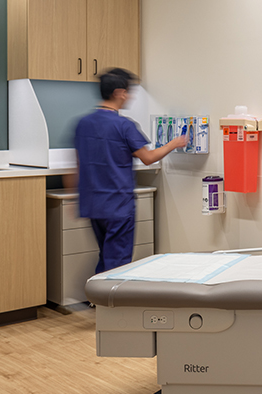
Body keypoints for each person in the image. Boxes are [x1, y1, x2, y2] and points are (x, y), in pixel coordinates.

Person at [74, 68, 187, 274]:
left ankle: (98, 299)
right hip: (117, 204)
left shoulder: (83, 123)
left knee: (106, 253)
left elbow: (78, 164)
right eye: (128, 92)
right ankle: (112, 303)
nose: (129, 97)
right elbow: (148, 158)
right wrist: (174, 143)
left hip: (93, 204)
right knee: (118, 260)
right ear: (119, 93)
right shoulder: (123, 125)